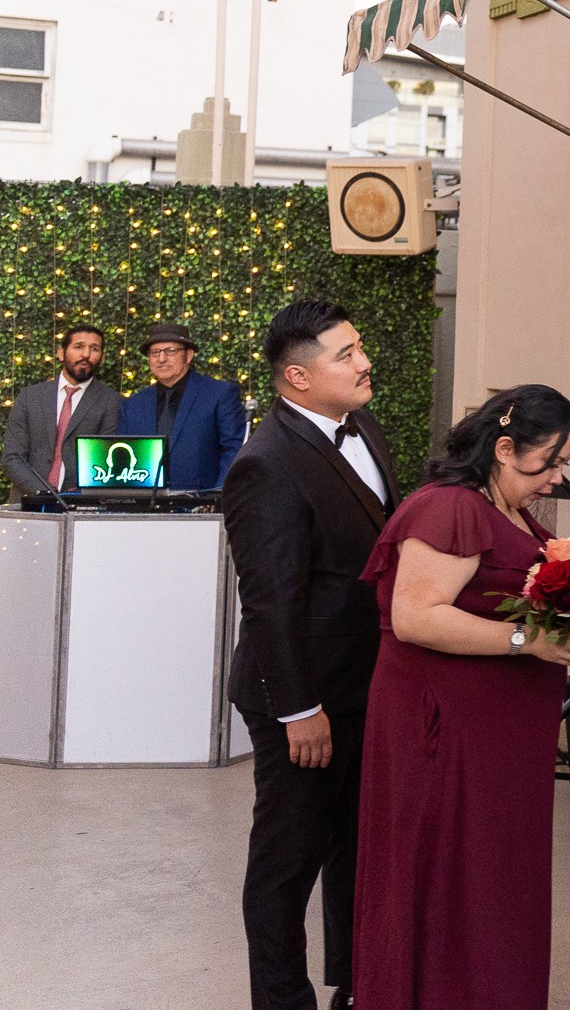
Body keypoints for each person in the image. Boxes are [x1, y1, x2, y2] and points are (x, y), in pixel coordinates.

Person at [353, 385, 570, 1010]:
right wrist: (528, 640)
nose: (557, 478)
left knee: (491, 881)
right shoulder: (449, 509)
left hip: (496, 741)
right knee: (448, 879)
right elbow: (414, 617)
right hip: (444, 734)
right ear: (505, 448)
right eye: (552, 461)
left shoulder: (506, 509)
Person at [223, 299, 403, 1010]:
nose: (363, 362)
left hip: (367, 684)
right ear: (297, 377)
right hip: (301, 696)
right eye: (345, 354)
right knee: (287, 859)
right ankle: (280, 999)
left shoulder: (365, 428)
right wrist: (302, 709)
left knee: (358, 847)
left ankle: (357, 987)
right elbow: (269, 601)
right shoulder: (264, 465)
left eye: (359, 348)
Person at [118, 320, 247, 490]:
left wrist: (217, 497)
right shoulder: (133, 405)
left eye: (171, 351)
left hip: (202, 507)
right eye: (155, 352)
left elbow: (234, 450)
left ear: (189, 355)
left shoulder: (219, 394)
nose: (161, 359)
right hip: (145, 510)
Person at [2, 322, 122, 500]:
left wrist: (71, 498)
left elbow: (105, 463)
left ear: (102, 357)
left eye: (94, 349)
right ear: (61, 353)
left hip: (82, 508)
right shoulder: (30, 397)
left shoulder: (113, 402)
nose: (86, 354)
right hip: (27, 505)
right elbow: (12, 457)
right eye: (79, 346)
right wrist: (45, 495)